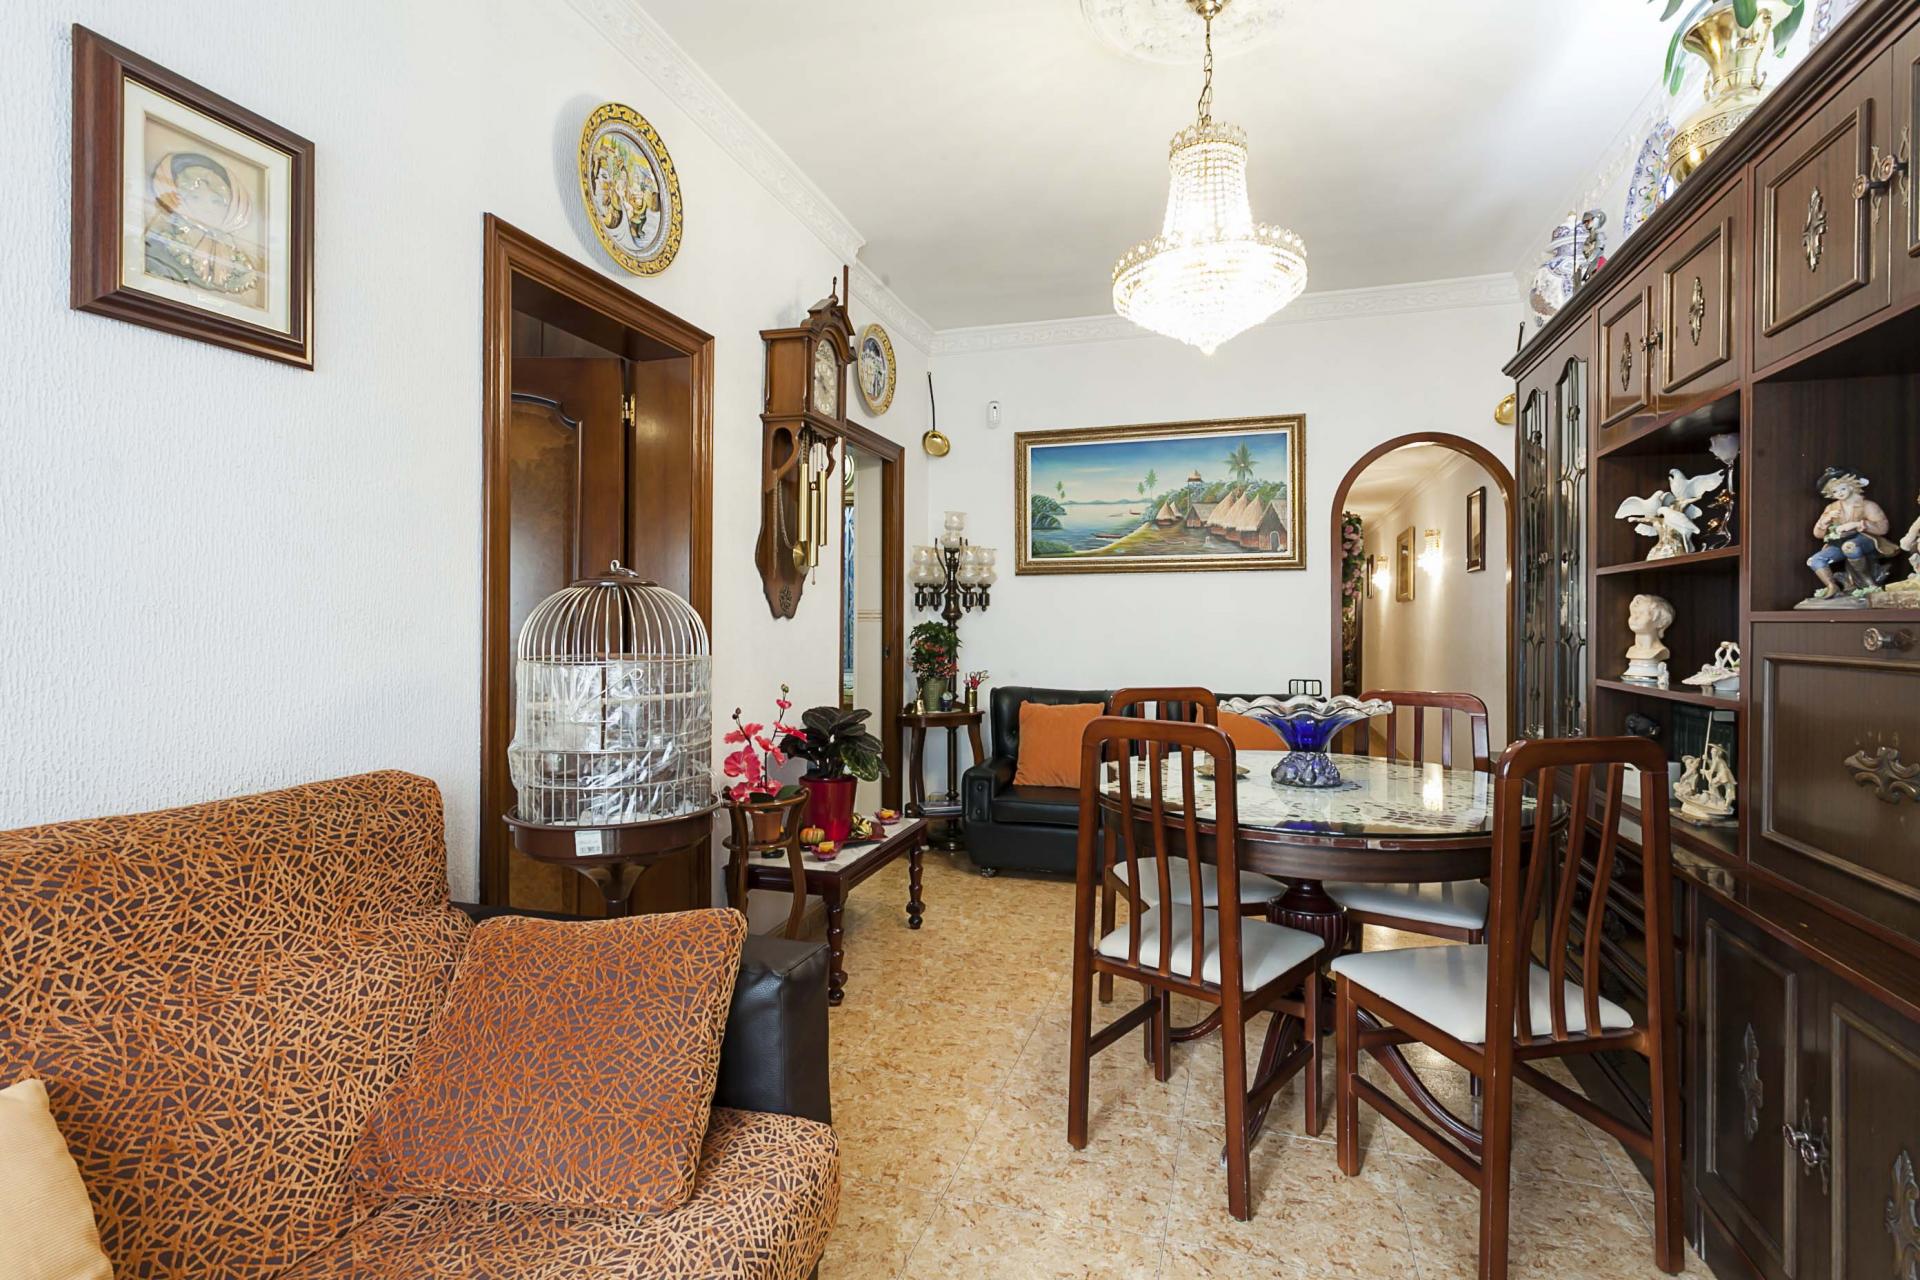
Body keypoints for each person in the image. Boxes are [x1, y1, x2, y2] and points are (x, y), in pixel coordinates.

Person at [1805, 468, 1897, 601]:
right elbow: (1818, 534)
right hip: (1839, 543)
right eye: (1835, 491)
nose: (1839, 493)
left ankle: (1868, 582)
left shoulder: (1867, 505)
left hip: (1865, 540)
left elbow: (1883, 528)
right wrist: (1824, 522)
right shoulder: (1831, 508)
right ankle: (1832, 586)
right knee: (1814, 560)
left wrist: (1857, 524)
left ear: (1851, 487)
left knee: (1849, 547)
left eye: (1842, 488)